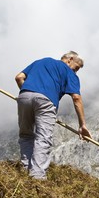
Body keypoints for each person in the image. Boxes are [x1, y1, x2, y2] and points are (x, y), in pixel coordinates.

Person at [15, 51, 92, 179]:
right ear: (70, 59)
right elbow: (76, 98)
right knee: (43, 138)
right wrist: (82, 125)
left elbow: (19, 77)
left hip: (24, 96)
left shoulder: (41, 61)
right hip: (46, 101)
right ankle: (37, 177)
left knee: (25, 134)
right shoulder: (68, 72)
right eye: (76, 68)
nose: (76, 72)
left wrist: (29, 94)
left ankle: (25, 171)